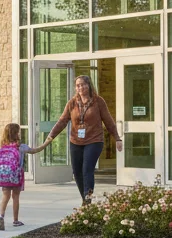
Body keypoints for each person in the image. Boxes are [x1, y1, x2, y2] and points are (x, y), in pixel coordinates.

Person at [37, 74, 120, 204]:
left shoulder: (98, 101)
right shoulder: (72, 103)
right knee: (77, 172)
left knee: (87, 169)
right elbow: (62, 121)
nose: (80, 87)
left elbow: (108, 121)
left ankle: (88, 199)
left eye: (83, 84)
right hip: (76, 141)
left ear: (89, 85)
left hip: (94, 140)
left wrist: (117, 138)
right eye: (78, 85)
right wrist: (51, 136)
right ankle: (85, 198)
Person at [0, 123, 48, 230]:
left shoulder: (3, 146)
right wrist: (46, 143)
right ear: (17, 134)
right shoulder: (21, 147)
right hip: (16, 175)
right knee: (15, 197)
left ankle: (1, 215)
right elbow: (34, 150)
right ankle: (15, 220)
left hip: (4, 175)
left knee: (5, 196)